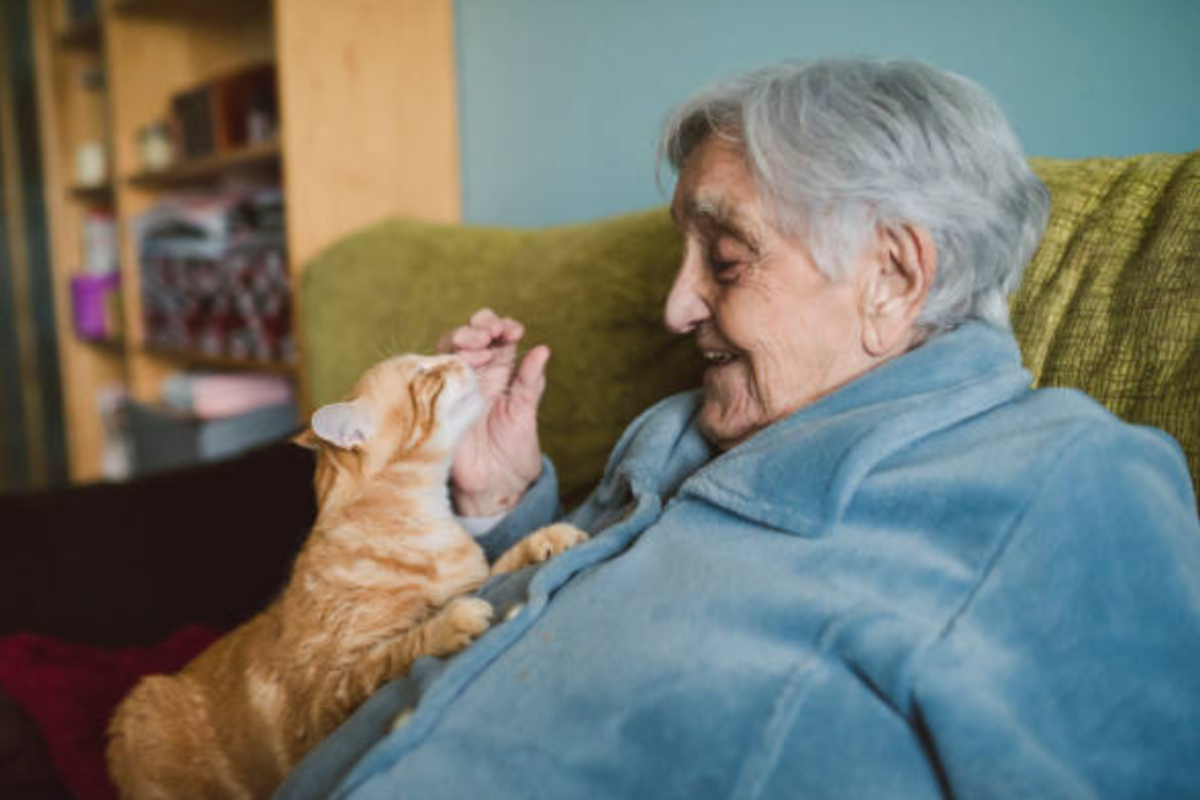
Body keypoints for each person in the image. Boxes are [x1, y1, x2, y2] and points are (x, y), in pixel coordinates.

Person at [276, 58, 1200, 800]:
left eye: (725, 257)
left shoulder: (1070, 477)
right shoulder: (681, 429)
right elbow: (545, 626)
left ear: (892, 276)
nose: (679, 306)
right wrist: (498, 495)